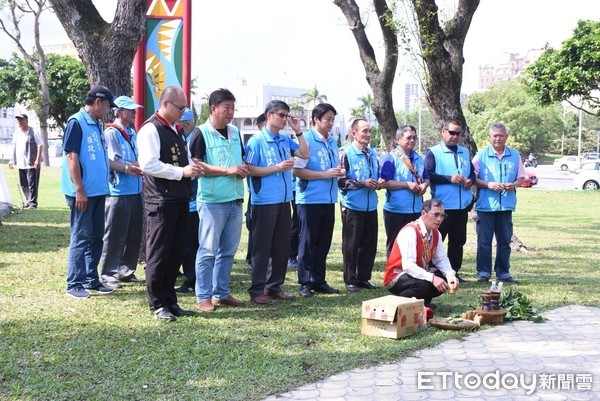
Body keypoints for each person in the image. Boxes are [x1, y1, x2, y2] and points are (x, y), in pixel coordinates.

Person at [137, 86, 203, 321]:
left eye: (185, 107)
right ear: (165, 104)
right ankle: (157, 304)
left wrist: (192, 169)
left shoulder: (175, 130)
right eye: (180, 107)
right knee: (159, 254)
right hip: (160, 201)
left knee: (175, 254)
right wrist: (181, 172)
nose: (183, 112)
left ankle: (170, 301)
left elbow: (179, 162)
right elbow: (148, 165)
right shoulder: (150, 130)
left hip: (179, 199)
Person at [245, 100, 309, 305]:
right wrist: (277, 168)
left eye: (286, 116)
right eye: (281, 115)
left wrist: (298, 131)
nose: (284, 120)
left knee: (281, 245)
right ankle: (257, 289)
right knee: (262, 247)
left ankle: (274, 286)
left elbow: (304, 154)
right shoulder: (256, 141)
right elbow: (250, 169)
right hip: (264, 201)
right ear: (269, 115)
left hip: (284, 199)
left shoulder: (284, 139)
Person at [190, 88, 247, 312]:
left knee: (229, 251)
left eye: (233, 108)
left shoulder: (234, 132)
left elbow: (238, 161)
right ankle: (203, 297)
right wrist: (228, 170)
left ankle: (221, 292)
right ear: (213, 108)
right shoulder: (200, 133)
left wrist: (242, 170)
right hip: (212, 202)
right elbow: (197, 165)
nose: (231, 112)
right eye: (227, 108)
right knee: (207, 250)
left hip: (235, 200)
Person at [60, 85, 118, 299]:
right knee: (81, 236)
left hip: (98, 191)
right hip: (82, 193)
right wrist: (79, 190)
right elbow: (71, 157)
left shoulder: (97, 125)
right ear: (97, 102)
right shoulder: (77, 122)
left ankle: (90, 279)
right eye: (107, 106)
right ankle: (74, 283)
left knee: (96, 237)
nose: (107, 110)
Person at [293, 103, 344, 297]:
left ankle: (319, 280)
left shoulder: (332, 141)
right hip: (309, 199)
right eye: (327, 119)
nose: (331, 123)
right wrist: (324, 174)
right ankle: (305, 282)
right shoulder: (306, 140)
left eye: (333, 119)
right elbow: (296, 170)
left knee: (323, 242)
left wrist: (337, 172)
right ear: (316, 119)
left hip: (329, 199)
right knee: (307, 242)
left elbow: (331, 168)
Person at [98, 96, 145, 289]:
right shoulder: (112, 133)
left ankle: (126, 270)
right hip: (118, 191)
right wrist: (129, 167)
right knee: (115, 233)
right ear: (119, 112)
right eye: (130, 110)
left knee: (133, 232)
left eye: (135, 110)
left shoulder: (132, 132)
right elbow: (111, 161)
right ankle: (108, 273)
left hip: (135, 189)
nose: (134, 113)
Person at [472, 123, 524, 283]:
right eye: (495, 135)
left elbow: (521, 177)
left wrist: (513, 185)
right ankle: (483, 273)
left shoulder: (515, 155)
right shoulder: (480, 156)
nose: (498, 138)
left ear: (506, 137)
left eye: (501, 135)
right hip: (485, 206)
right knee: (484, 241)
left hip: (506, 206)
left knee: (504, 241)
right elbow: (472, 178)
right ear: (489, 137)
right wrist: (488, 184)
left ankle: (503, 272)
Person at [424, 118, 475, 282]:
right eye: (451, 132)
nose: (454, 136)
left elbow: (472, 173)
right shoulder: (433, 152)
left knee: (458, 241)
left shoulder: (464, 152)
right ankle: (435, 273)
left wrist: (470, 181)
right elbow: (428, 175)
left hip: (461, 206)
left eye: (458, 133)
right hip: (442, 207)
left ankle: (454, 272)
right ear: (443, 132)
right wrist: (449, 178)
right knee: (437, 241)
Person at [383, 199, 459, 307]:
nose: (439, 219)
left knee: (443, 279)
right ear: (424, 213)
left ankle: (423, 302)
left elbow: (441, 259)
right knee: (424, 283)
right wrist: (432, 278)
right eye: (436, 214)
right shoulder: (410, 231)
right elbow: (408, 266)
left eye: (443, 216)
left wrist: (450, 276)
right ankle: (400, 304)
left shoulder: (436, 233)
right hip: (397, 275)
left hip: (417, 272)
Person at [339, 118, 383, 292]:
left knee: (369, 244)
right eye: (364, 131)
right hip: (352, 206)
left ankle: (364, 277)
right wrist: (363, 183)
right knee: (351, 245)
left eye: (370, 131)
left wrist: (379, 182)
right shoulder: (345, 153)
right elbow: (341, 181)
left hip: (371, 205)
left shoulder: (372, 153)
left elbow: (376, 175)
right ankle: (350, 279)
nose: (368, 135)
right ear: (353, 133)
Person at [380, 125, 430, 257]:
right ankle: (393, 275)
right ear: (398, 139)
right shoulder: (390, 158)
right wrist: (406, 185)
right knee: (396, 243)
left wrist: (425, 185)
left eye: (414, 137)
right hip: (396, 210)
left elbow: (426, 178)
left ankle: (411, 274)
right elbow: (384, 182)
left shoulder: (420, 158)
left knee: (414, 242)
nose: (412, 140)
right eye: (408, 138)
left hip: (416, 209)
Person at [175, 108, 199, 294]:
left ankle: (192, 279)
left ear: (187, 123)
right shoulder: (181, 138)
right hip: (182, 199)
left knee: (191, 243)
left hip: (194, 200)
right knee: (183, 241)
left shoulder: (194, 139)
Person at [8, 114, 43, 209]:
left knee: (32, 184)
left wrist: (37, 159)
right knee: (23, 184)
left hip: (31, 163)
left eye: (21, 120)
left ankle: (33, 203)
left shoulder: (33, 131)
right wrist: (11, 159)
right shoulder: (17, 133)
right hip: (20, 163)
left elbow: (40, 145)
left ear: (26, 121)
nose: (19, 122)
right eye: (17, 120)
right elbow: (14, 146)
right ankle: (28, 200)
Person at [245, 113, 266, 267]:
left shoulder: (281, 141)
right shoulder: (255, 142)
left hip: (275, 196)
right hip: (256, 193)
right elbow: (249, 168)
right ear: (259, 126)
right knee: (254, 227)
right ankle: (252, 257)